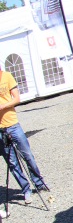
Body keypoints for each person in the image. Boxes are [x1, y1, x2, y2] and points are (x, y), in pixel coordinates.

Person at [0, 67, 49, 213]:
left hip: (13, 125)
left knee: (27, 155)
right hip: (0, 130)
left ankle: (39, 183)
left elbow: (17, 99)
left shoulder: (7, 76)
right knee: (12, 163)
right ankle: (26, 189)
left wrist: (2, 106)